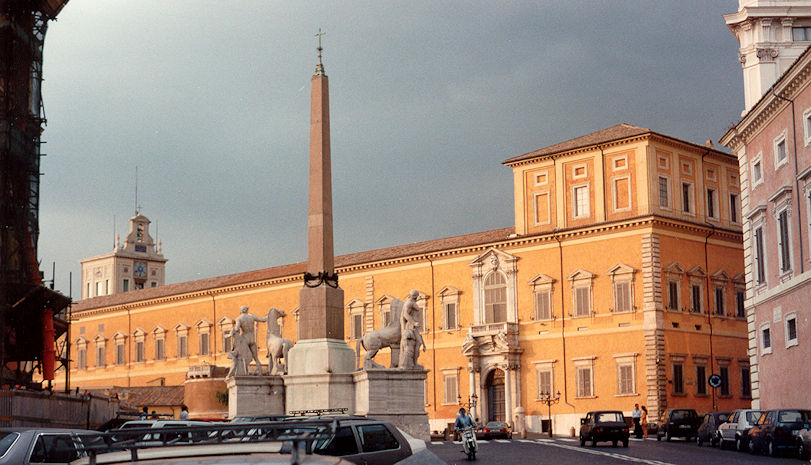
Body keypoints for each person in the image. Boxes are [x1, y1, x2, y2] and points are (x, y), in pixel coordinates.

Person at [234, 305, 267, 375]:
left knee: (243, 357)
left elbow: (237, 328)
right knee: (256, 358)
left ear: (241, 311)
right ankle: (260, 372)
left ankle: (245, 373)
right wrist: (270, 315)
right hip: (252, 339)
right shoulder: (252, 317)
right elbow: (263, 320)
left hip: (245, 339)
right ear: (247, 310)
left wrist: (231, 332)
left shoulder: (239, 319)